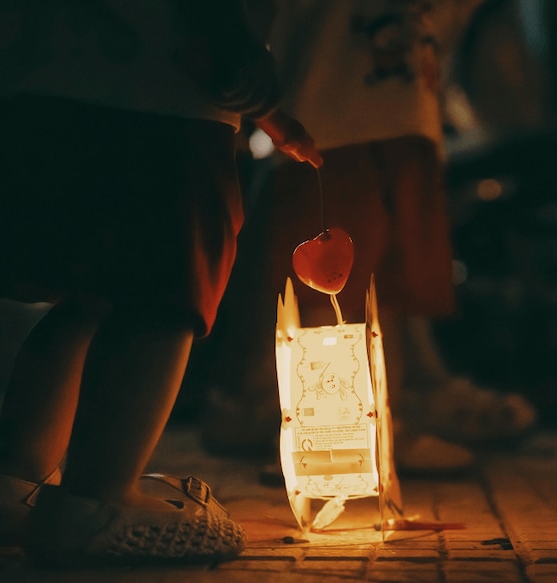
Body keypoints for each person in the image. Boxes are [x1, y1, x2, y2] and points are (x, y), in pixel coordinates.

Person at [0, 0, 320, 566]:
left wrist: (272, 116)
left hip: (30, 75)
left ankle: (11, 484)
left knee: (88, 295)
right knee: (163, 292)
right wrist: (238, 49)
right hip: (159, 84)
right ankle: (100, 495)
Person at [200, 0, 536, 474]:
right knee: (329, 283)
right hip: (327, 115)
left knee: (393, 280)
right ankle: (326, 432)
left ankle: (388, 414)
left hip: (410, 115)